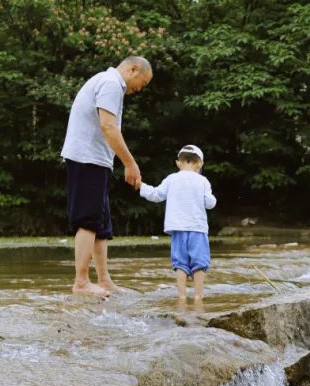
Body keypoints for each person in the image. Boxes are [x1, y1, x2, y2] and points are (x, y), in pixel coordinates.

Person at [61, 56, 153, 297]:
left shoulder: (107, 81)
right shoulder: (111, 83)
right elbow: (108, 126)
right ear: (133, 69)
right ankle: (81, 282)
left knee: (100, 224)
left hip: (96, 160)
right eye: (141, 83)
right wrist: (130, 163)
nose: (139, 89)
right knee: (88, 220)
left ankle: (104, 280)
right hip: (86, 158)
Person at [139, 145, 217, 305]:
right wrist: (211, 200)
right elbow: (209, 203)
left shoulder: (171, 179)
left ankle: (181, 296)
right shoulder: (203, 181)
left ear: (178, 163)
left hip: (177, 228)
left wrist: (141, 186)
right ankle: (198, 296)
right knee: (199, 262)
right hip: (197, 228)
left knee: (180, 263)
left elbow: (156, 195)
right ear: (200, 163)